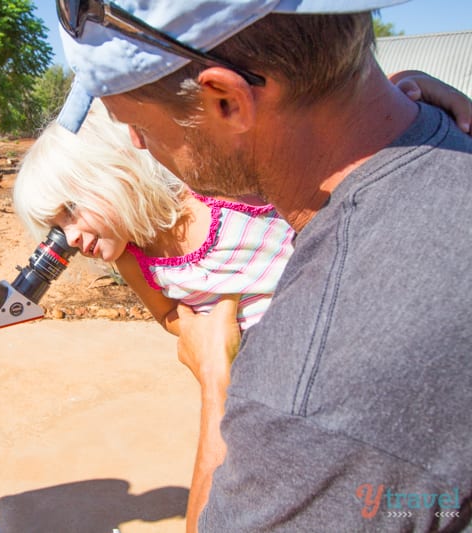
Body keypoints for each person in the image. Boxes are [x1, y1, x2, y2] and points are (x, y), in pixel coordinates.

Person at [54, 1, 472, 531]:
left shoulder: (306, 397)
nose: (135, 143)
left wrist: (214, 381)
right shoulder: (450, 140)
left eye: (133, 121)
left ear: (226, 100)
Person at [15, 98, 293, 336]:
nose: (71, 237)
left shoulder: (211, 194)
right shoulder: (133, 261)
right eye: (58, 229)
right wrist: (203, 337)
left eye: (72, 209)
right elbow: (167, 313)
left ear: (115, 172)